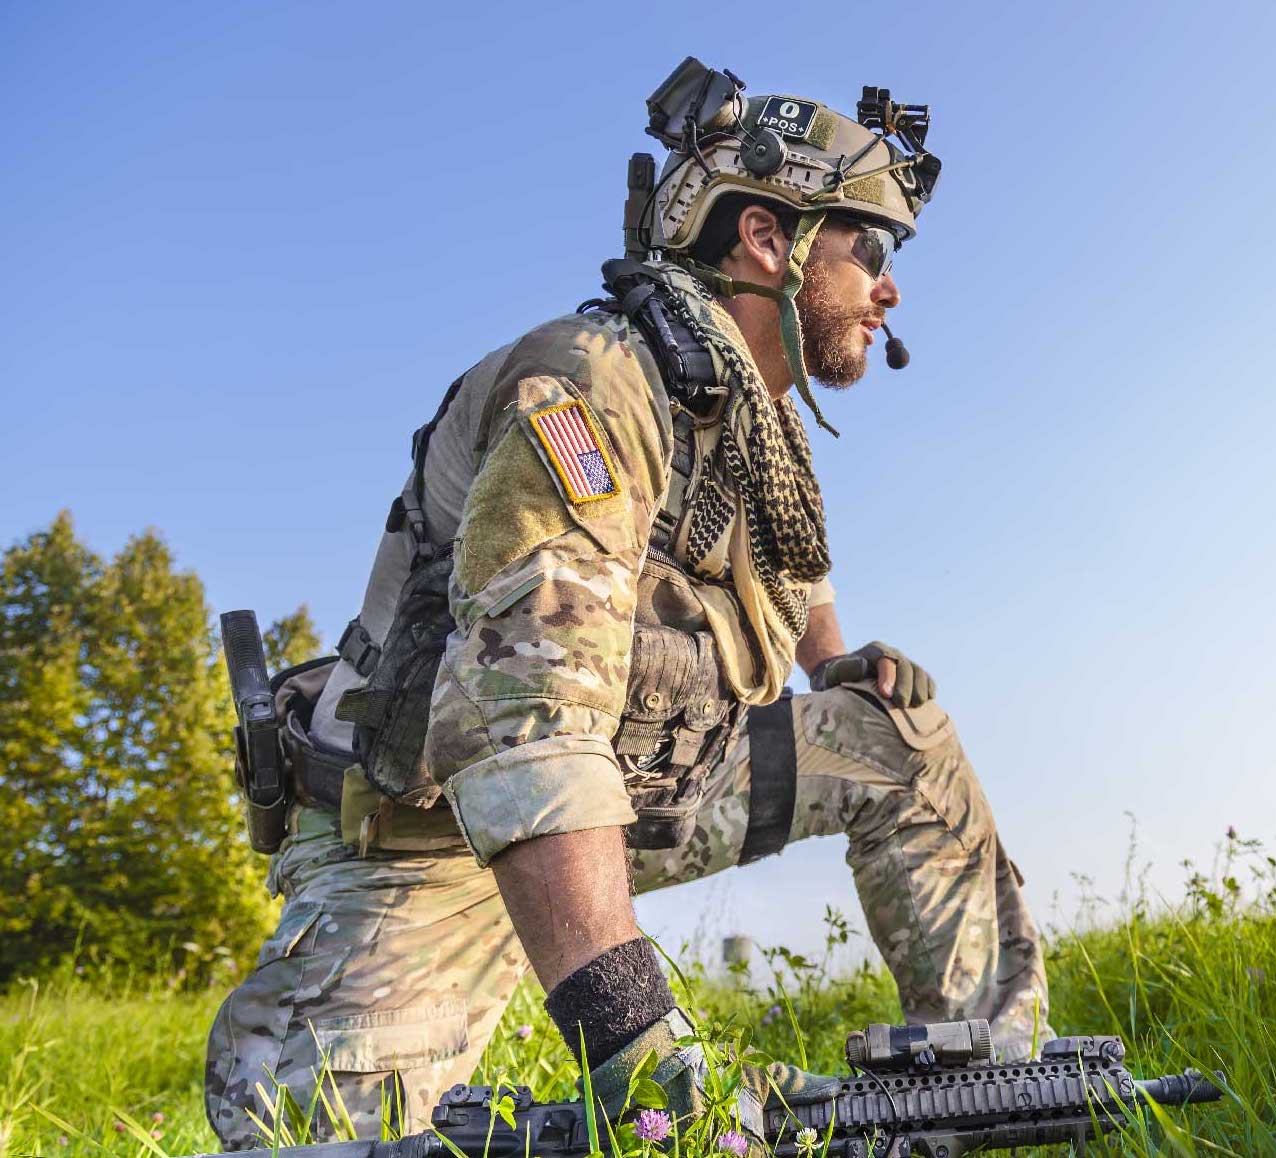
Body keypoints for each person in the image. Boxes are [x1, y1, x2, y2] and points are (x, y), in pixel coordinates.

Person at [205, 58, 1053, 1150]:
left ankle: (993, 1092)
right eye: (869, 249)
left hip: (638, 795)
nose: (886, 286)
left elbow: (792, 568)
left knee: (897, 734)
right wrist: (633, 1040)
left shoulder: (760, 422)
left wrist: (835, 668)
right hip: (435, 837)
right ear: (764, 240)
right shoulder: (595, 383)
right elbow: (524, 719)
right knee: (308, 1129)